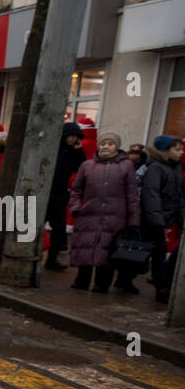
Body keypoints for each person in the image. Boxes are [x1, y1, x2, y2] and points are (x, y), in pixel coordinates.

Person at [68, 131, 138, 294]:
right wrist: (76, 208)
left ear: (117, 147)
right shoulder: (87, 165)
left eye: (110, 143)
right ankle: (81, 281)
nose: (106, 146)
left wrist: (134, 220)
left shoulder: (126, 166)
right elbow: (76, 190)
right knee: (85, 248)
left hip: (115, 218)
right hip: (88, 215)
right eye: (103, 143)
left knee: (107, 252)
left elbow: (132, 195)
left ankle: (102, 284)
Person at [139, 134, 184, 302]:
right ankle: (161, 287)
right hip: (156, 220)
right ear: (166, 151)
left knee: (165, 253)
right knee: (157, 254)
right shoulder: (156, 168)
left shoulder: (175, 168)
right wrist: (157, 219)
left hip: (169, 218)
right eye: (177, 149)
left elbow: (178, 196)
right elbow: (151, 195)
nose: (181, 153)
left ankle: (163, 285)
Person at [43, 122, 88, 270]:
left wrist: (79, 150)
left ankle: (52, 259)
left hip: (60, 195)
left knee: (59, 229)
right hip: (45, 193)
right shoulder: (53, 149)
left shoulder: (74, 152)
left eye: (75, 136)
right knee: (35, 226)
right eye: (70, 136)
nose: (72, 139)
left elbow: (82, 168)